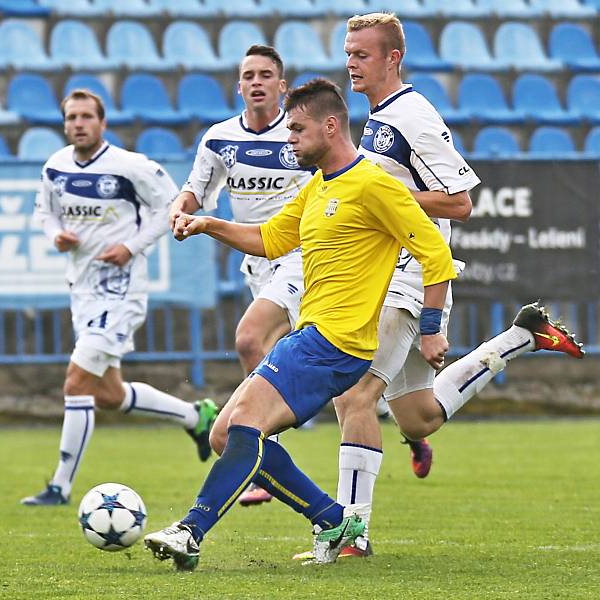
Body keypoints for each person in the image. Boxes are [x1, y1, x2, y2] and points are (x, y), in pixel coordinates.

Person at [293, 12, 585, 559]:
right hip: (385, 275)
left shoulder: (413, 116)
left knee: (356, 395)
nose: (351, 63)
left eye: (362, 54)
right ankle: (519, 338)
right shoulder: (378, 117)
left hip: (407, 277)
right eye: (348, 53)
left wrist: (377, 194)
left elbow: (459, 201)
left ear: (392, 58)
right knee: (418, 416)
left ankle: (349, 537)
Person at [143, 78, 457, 571]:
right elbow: (269, 239)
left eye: (297, 129)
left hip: (333, 341)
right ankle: (333, 518)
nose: (289, 138)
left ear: (330, 126)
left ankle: (190, 530)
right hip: (314, 339)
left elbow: (436, 256)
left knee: (243, 424)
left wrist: (433, 327)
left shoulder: (376, 184)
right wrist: (208, 224)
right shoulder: (318, 186)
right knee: (225, 435)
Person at [21, 89, 218, 506]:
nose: (78, 123)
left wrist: (131, 246)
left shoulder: (130, 167)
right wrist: (55, 234)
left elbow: (171, 207)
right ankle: (194, 416)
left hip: (122, 289)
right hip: (83, 289)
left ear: (102, 122)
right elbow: (44, 210)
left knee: (76, 381)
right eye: (71, 117)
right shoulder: (55, 167)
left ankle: (59, 487)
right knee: (106, 394)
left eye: (86, 117)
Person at [169, 45, 314, 507]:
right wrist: (178, 211)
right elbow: (194, 191)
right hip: (257, 266)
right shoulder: (219, 140)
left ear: (281, 86)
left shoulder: (299, 135)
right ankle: (409, 427)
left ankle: (252, 450)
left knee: (250, 340)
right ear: (239, 86)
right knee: (303, 368)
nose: (257, 82)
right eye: (249, 75)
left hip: (299, 256)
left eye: (266, 74)